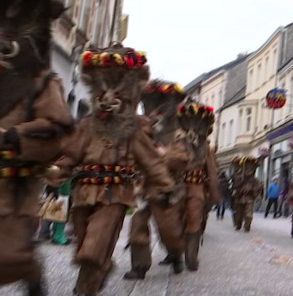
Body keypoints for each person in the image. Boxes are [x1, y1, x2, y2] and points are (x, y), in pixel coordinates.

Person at [53, 46, 174, 296]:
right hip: (83, 193)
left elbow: (151, 162)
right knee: (83, 246)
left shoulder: (135, 127)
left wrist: (164, 187)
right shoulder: (87, 124)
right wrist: (57, 170)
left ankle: (85, 290)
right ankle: (98, 272)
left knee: (94, 247)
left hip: (115, 194)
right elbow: (72, 153)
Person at [0, 0, 73, 296]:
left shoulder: (44, 82)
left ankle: (31, 270)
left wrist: (15, 134)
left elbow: (58, 130)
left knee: (8, 258)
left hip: (15, 187)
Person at [124, 80, 188, 280]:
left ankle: (176, 254)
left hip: (166, 189)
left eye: (158, 106)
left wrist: (163, 155)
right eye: (149, 106)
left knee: (168, 231)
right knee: (137, 227)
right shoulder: (140, 131)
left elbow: (183, 158)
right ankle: (139, 267)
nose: (153, 112)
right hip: (142, 188)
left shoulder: (178, 134)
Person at [176, 102, 222, 271]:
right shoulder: (177, 143)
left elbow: (211, 172)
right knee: (176, 221)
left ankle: (191, 257)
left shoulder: (207, 149)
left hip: (196, 189)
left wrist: (214, 193)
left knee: (194, 221)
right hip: (177, 189)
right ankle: (174, 253)